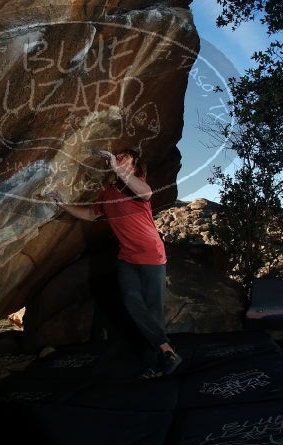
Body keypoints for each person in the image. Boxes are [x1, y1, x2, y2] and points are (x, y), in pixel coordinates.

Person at [45, 148, 182, 379]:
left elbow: (148, 193)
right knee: (131, 301)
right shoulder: (107, 192)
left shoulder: (136, 186)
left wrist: (120, 171)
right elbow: (90, 215)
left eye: (124, 160)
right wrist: (63, 203)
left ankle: (155, 364)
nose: (118, 161)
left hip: (152, 256)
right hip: (127, 257)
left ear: (135, 168)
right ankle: (167, 351)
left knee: (153, 313)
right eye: (117, 159)